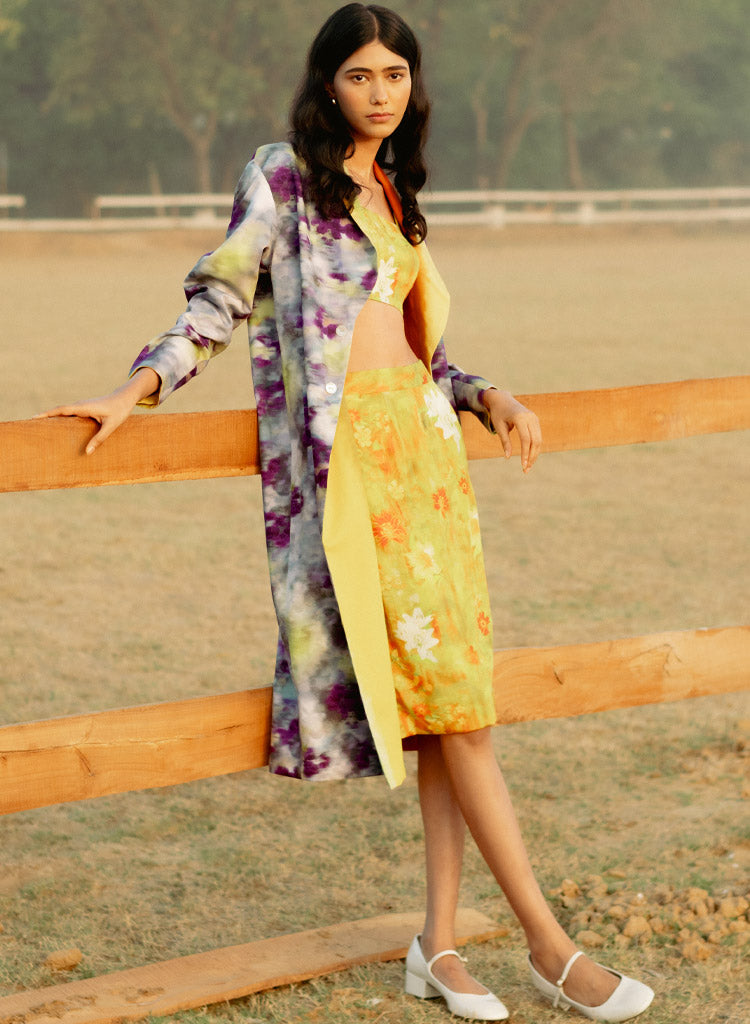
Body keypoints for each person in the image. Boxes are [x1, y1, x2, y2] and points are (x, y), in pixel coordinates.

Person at [39, 5, 655, 1021]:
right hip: (349, 470)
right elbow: (218, 301)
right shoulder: (282, 177)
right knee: (458, 716)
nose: (380, 92)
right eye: (360, 74)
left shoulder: (397, 190)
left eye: (395, 74)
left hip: (428, 463)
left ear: (413, 85)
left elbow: (419, 350)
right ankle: (550, 947)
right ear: (328, 83)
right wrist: (135, 387)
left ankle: (438, 946)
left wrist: (487, 393)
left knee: (452, 712)